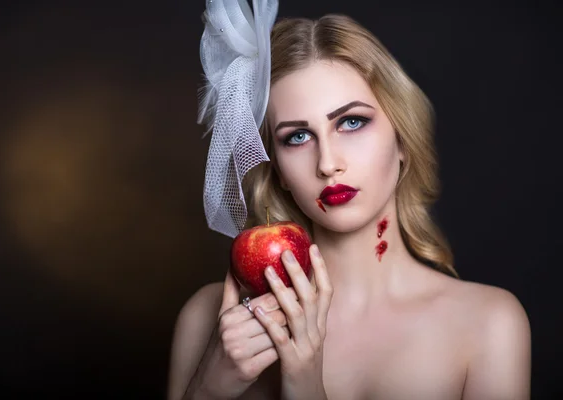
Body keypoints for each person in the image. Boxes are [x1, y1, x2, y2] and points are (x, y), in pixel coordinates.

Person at [168, 7, 532, 400]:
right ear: (278, 171)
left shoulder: (488, 325)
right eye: (297, 137)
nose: (327, 164)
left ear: (403, 141)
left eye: (352, 122)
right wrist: (207, 388)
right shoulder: (209, 321)